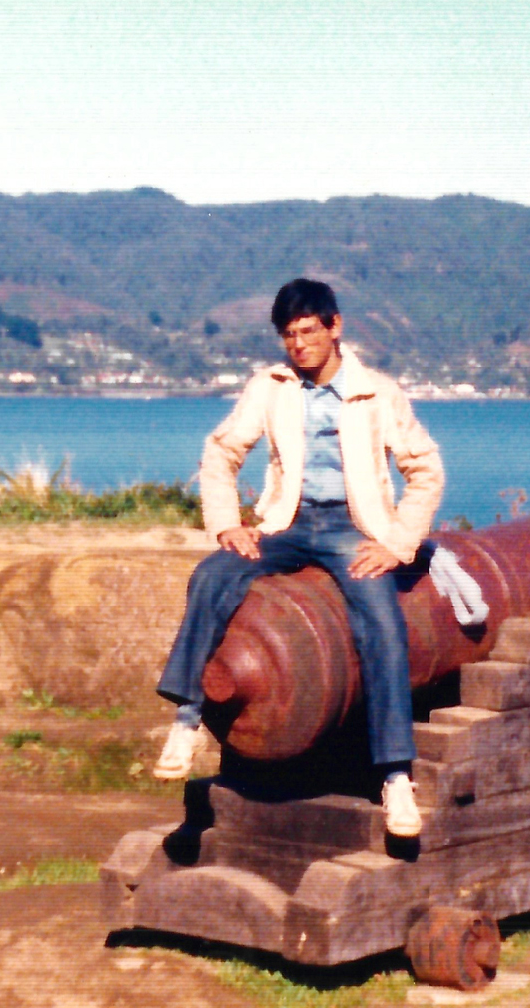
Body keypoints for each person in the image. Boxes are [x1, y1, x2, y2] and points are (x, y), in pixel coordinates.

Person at [152, 277, 445, 837]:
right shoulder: (271, 387)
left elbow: (425, 470)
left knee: (382, 623)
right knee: (212, 573)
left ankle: (395, 777)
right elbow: (221, 452)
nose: (298, 345)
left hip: (352, 530)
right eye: (288, 335)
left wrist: (398, 543)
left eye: (308, 332)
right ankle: (187, 719)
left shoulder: (377, 392)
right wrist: (226, 525)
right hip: (288, 524)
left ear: (336, 328)